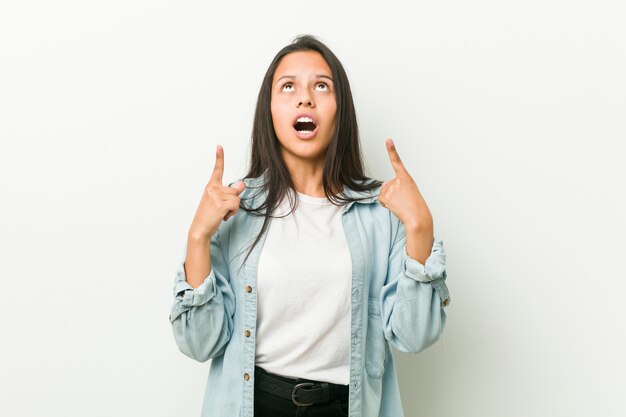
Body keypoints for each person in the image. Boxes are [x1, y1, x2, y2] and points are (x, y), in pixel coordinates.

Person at [170, 34, 450, 417]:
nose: (305, 98)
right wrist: (198, 237)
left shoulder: (381, 214)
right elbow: (200, 344)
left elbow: (414, 336)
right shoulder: (235, 210)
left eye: (321, 85)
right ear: (269, 109)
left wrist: (420, 227)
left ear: (341, 109)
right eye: (288, 87)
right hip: (255, 405)